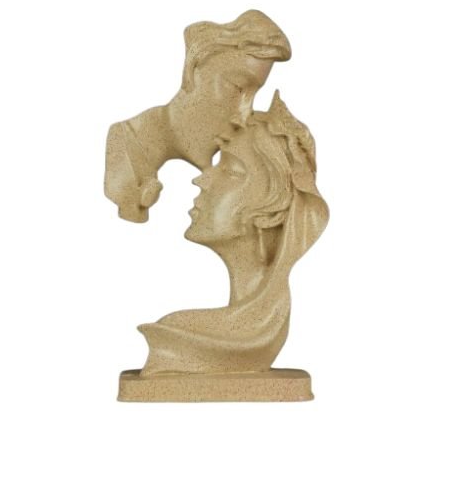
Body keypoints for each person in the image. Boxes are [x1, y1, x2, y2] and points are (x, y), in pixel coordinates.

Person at [138, 92, 329, 375]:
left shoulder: (184, 334)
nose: (202, 179)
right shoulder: (183, 329)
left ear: (272, 213)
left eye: (230, 171)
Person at [104, 10, 291, 222]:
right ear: (192, 70)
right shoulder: (123, 157)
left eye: (253, 96)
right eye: (237, 87)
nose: (244, 117)